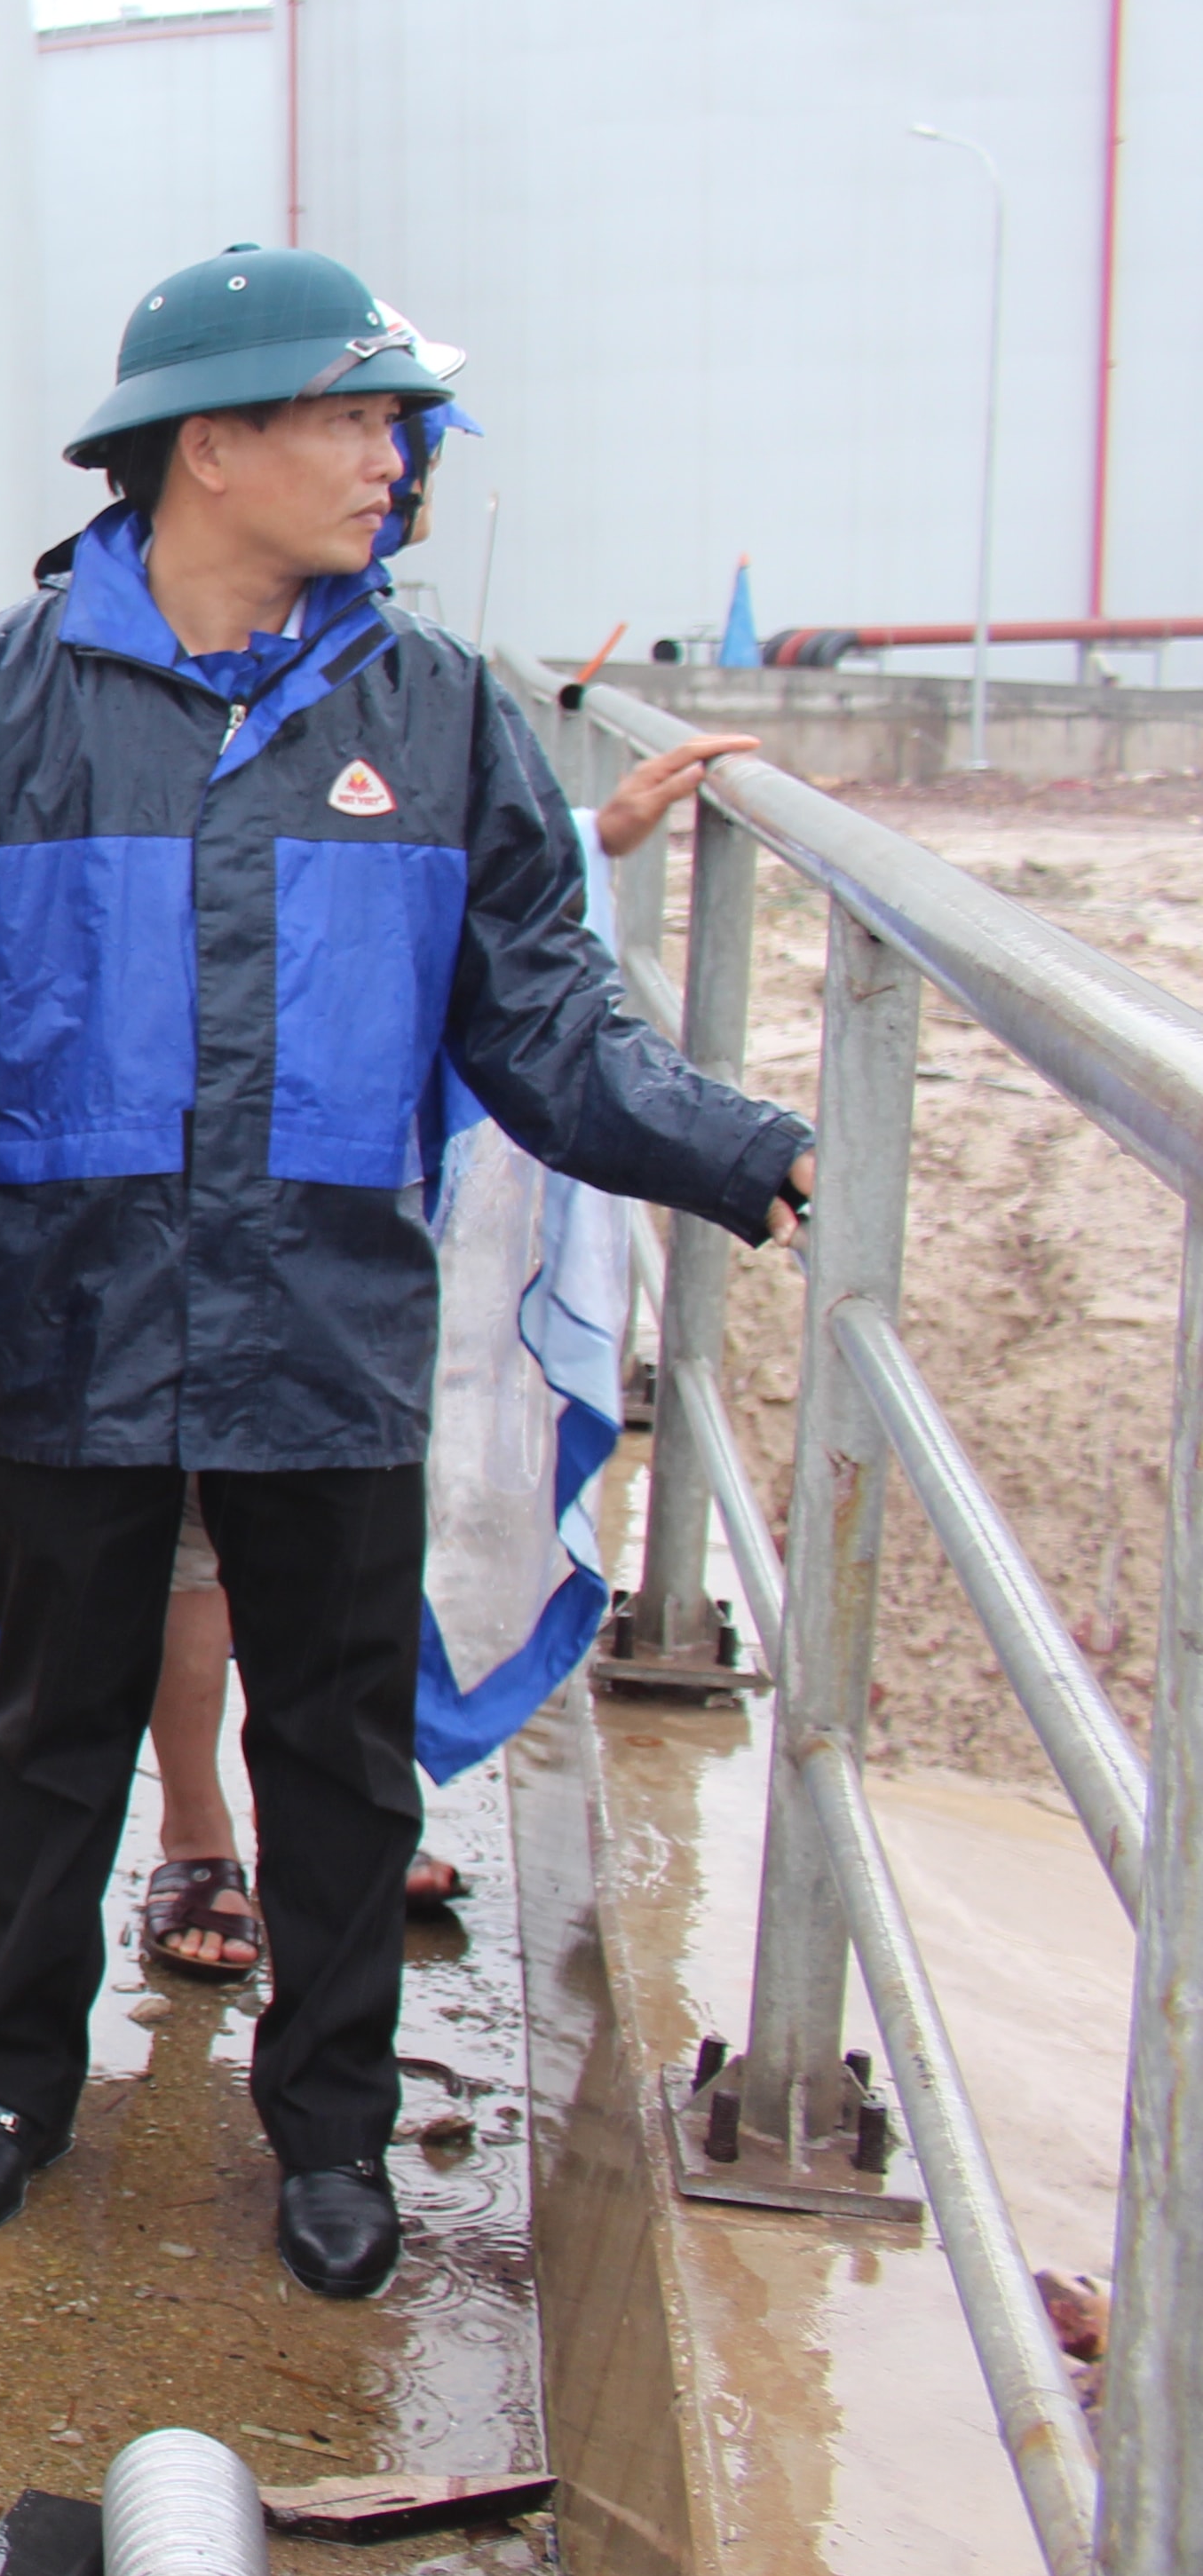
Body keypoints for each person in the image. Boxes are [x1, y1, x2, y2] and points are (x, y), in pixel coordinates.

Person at [0, 243, 816, 2299]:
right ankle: (7, 2082)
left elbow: (543, 1025)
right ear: (211, 444)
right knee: (51, 1723)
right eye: (352, 417)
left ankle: (329, 2124)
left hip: (320, 1317)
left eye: (393, 423)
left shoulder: (432, 713)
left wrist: (738, 1146)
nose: (391, 460)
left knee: (336, 1749)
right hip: (67, 1308)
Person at [138, 720, 763, 1979]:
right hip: (193, 1154)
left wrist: (592, 838)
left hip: (359, 1171)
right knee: (196, 1515)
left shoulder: (414, 687)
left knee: (343, 1511)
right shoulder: (145, 661)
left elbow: (465, 896)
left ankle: (333, 1823)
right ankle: (197, 1829)